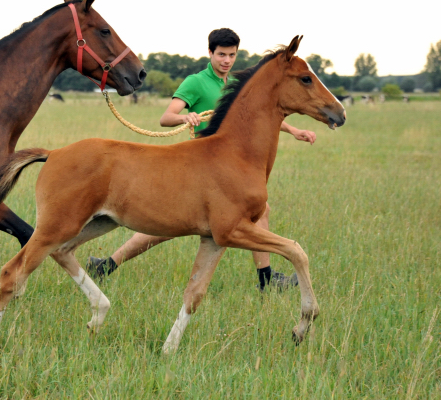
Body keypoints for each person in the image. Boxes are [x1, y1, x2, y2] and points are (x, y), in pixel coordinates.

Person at [87, 28, 316, 292]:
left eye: (231, 55)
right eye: (221, 54)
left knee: (251, 212)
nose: (226, 60)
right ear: (210, 53)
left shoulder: (235, 85)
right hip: (202, 166)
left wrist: (295, 130)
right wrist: (186, 117)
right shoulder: (195, 82)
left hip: (231, 167)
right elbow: (166, 117)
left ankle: (106, 266)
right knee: (173, 225)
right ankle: (266, 280)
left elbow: (258, 119)